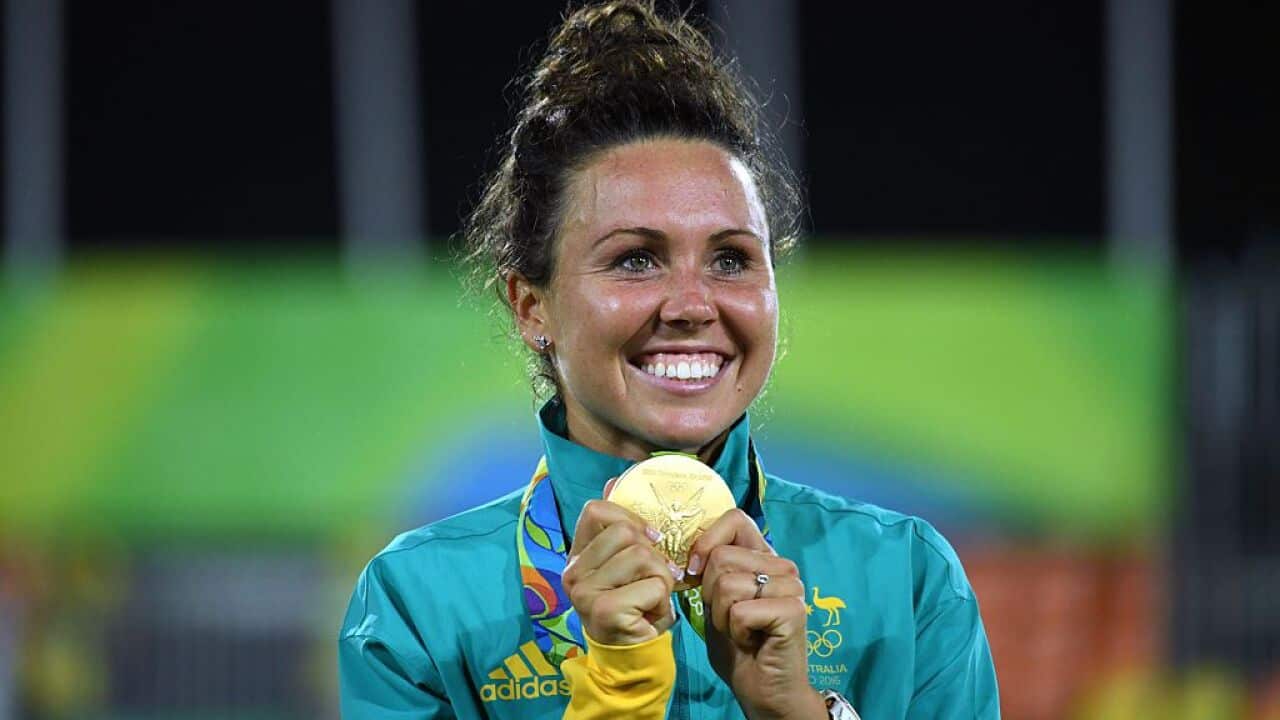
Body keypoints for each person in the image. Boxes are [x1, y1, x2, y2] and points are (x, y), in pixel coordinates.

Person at [338, 2, 1000, 718]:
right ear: (533, 307)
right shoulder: (418, 604)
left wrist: (795, 710)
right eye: (636, 259)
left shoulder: (907, 579)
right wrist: (615, 700)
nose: (692, 304)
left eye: (730, 259)